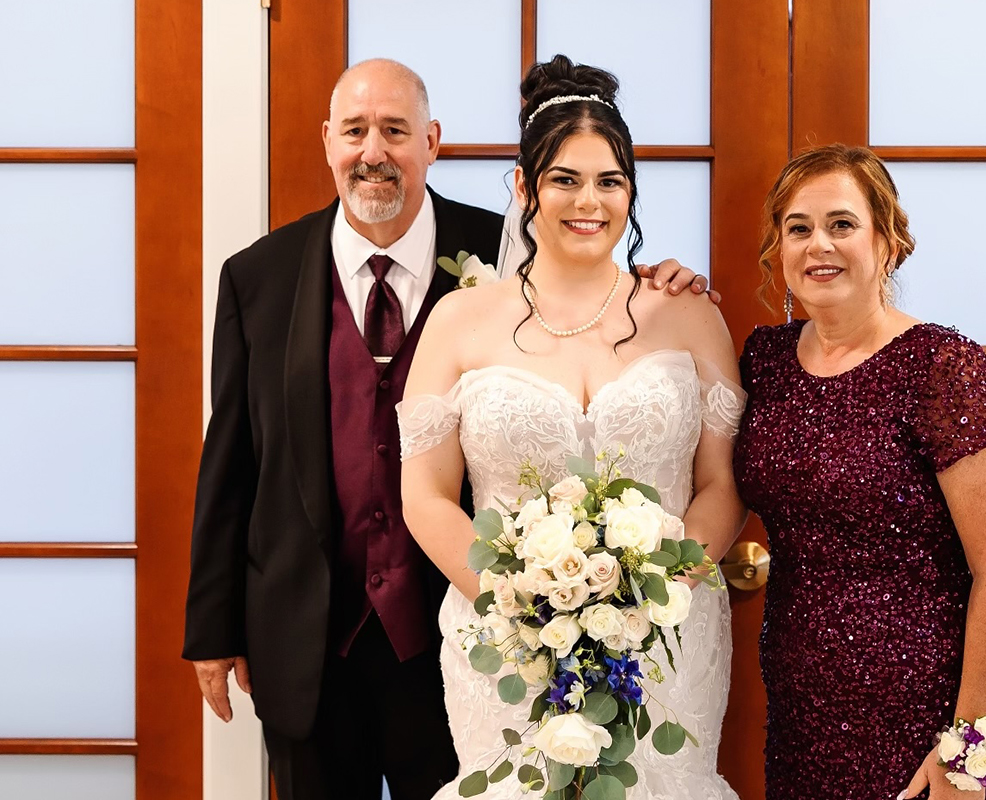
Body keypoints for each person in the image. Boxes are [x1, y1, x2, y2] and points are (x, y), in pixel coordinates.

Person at [182, 58, 709, 800]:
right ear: (327, 140)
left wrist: (666, 282)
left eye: (396, 131)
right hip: (305, 632)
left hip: (461, 631)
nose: (374, 151)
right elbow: (230, 456)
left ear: (431, 141)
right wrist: (213, 625)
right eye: (356, 131)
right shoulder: (256, 276)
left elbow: (594, 289)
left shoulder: (509, 250)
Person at [398, 55, 748, 799]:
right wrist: (522, 604)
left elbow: (722, 482)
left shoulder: (689, 314)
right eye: (565, 179)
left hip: (665, 641)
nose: (589, 201)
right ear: (524, 187)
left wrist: (652, 599)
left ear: (630, 191)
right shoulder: (459, 321)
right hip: (508, 639)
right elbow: (426, 497)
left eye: (609, 181)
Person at [732, 144, 986, 800]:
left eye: (842, 224)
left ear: (888, 241)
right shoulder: (766, 360)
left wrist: (969, 752)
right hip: (802, 721)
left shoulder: (945, 368)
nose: (819, 246)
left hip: (929, 721)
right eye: (799, 228)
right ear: (778, 249)